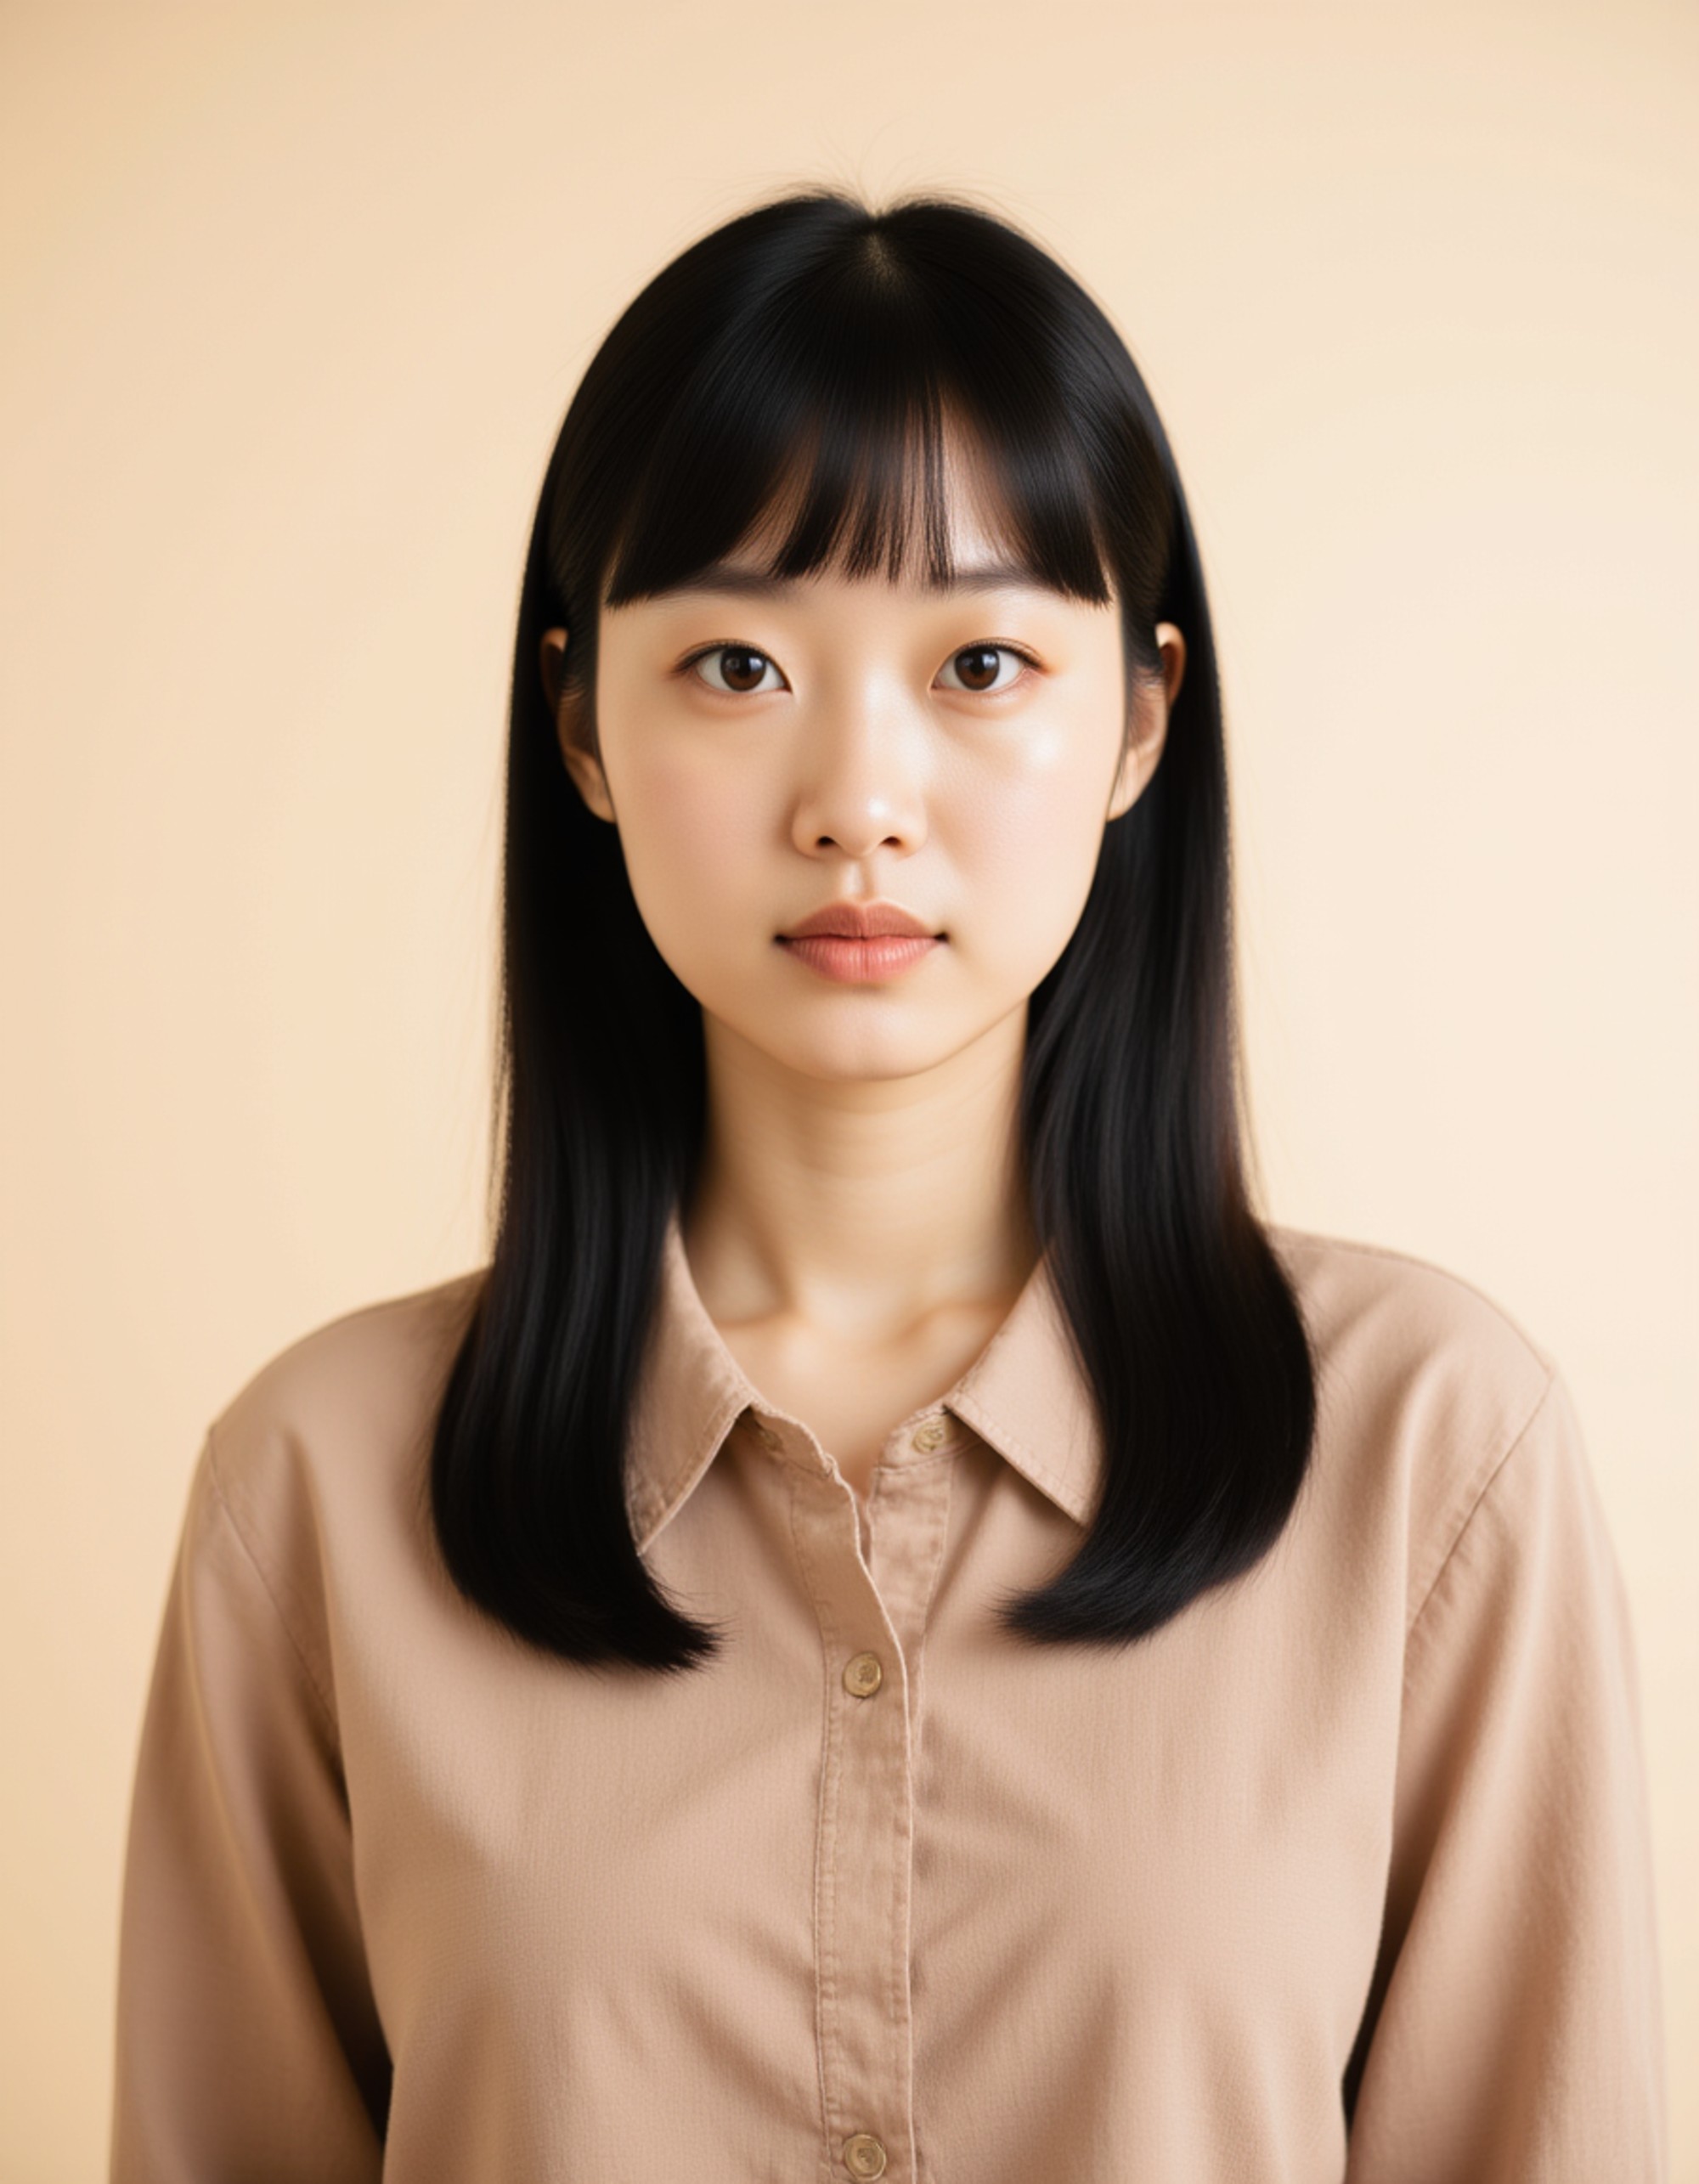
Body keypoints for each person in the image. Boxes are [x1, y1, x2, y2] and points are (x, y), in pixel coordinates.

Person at [109, 187, 1668, 2182]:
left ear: (1141, 715)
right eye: (739, 664)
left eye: (985, 659)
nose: (857, 795)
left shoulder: (1429, 1451)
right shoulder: (318, 1485)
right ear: (580, 718)